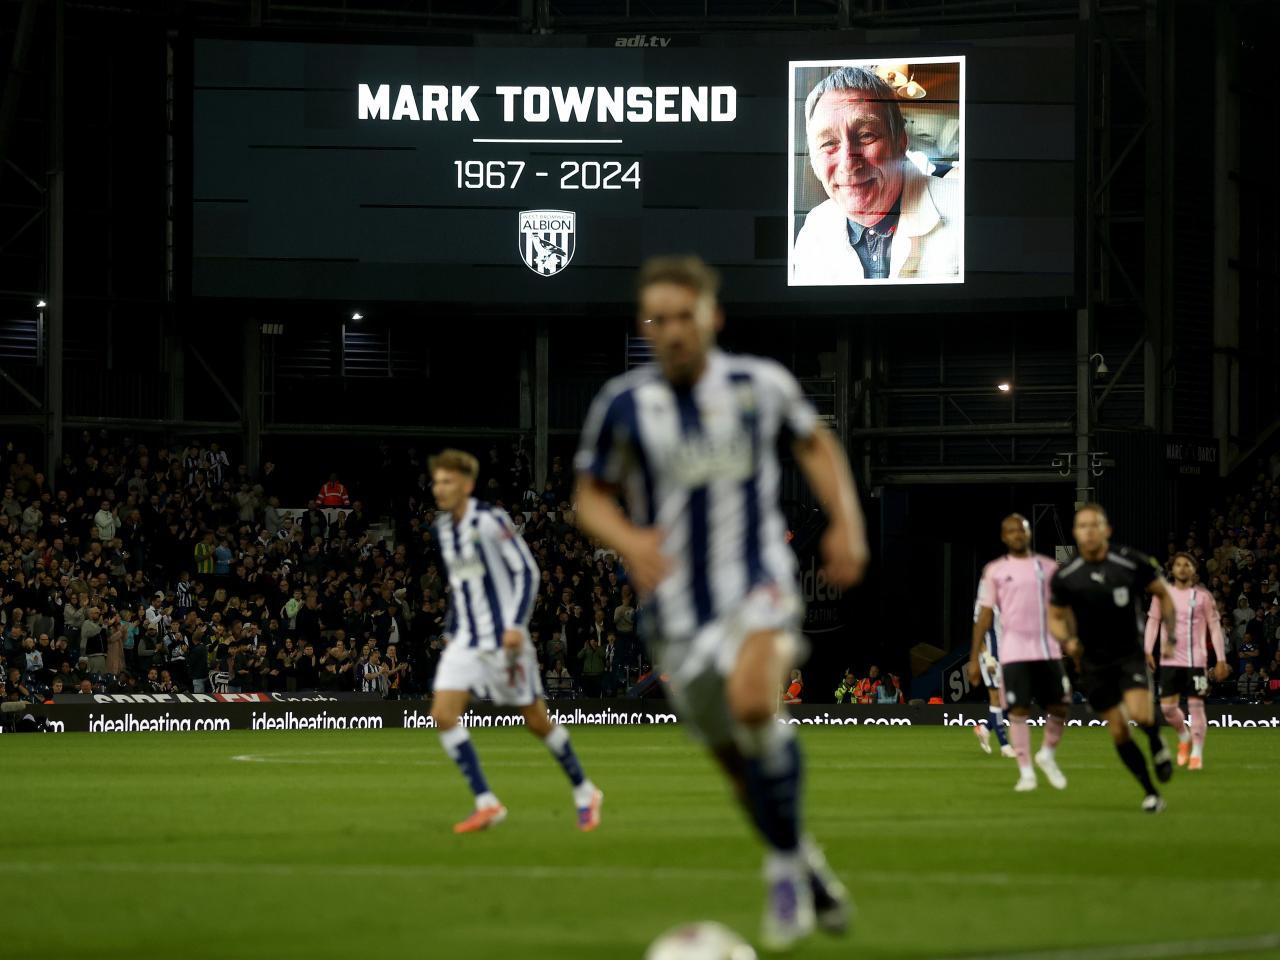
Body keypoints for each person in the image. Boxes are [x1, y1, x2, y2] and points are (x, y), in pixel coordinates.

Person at [573, 254, 867, 950]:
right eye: (659, 319)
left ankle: (781, 872)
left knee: (755, 703)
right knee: (739, 766)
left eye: (685, 316)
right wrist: (627, 539)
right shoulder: (624, 403)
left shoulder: (758, 385)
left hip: (757, 586)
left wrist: (847, 522)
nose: (673, 331)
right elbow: (589, 496)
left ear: (713, 318)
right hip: (675, 613)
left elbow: (816, 444)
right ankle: (806, 860)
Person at [428, 449, 602, 835]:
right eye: (437, 481)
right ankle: (487, 803)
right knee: (442, 714)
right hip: (466, 641)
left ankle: (585, 790)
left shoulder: (491, 521)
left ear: (467, 485)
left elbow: (527, 571)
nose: (439, 488)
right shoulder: (442, 530)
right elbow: (461, 585)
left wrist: (514, 623)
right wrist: (451, 629)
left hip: (504, 640)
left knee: (536, 722)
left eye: (448, 481)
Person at [1049, 504, 1179, 813]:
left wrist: (1170, 638)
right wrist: (1067, 639)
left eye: (1095, 524)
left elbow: (1164, 595)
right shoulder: (1066, 575)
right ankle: (1150, 792)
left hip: (1128, 654)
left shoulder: (1129, 561)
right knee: (1119, 730)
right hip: (1093, 663)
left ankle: (1157, 743)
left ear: (1106, 530)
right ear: (1075, 533)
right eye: (1082, 525)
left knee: (1142, 715)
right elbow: (1054, 617)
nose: (1089, 530)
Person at [792, 64, 960, 284]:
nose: (848, 163)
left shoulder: (961, 207)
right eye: (829, 143)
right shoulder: (814, 229)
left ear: (901, 141)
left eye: (866, 135)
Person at [969, 515, 1072, 790]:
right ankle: (1009, 750)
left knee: (1059, 703)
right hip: (998, 654)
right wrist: (979, 657)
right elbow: (980, 621)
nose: (1016, 534)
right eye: (1010, 531)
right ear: (1004, 537)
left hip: (1038, 649)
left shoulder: (1046, 569)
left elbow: (1058, 609)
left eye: (1021, 530)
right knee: (1007, 703)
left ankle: (988, 729)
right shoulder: (993, 579)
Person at [1144, 552, 1229, 770]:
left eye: (1187, 565)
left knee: (1196, 706)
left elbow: (1215, 628)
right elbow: (1153, 622)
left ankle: (1197, 753)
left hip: (1196, 661)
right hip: (1169, 660)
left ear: (1193, 570)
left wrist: (1220, 659)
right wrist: (1147, 651)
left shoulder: (1203, 597)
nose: (1182, 568)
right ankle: (1184, 736)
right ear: (1172, 569)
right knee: (1168, 709)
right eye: (1178, 565)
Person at [968, 601, 1013, 759]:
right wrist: (986, 657)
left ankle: (985, 728)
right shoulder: (985, 599)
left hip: (1008, 655)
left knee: (1013, 701)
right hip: (991, 658)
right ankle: (1005, 746)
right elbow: (977, 629)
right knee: (996, 699)